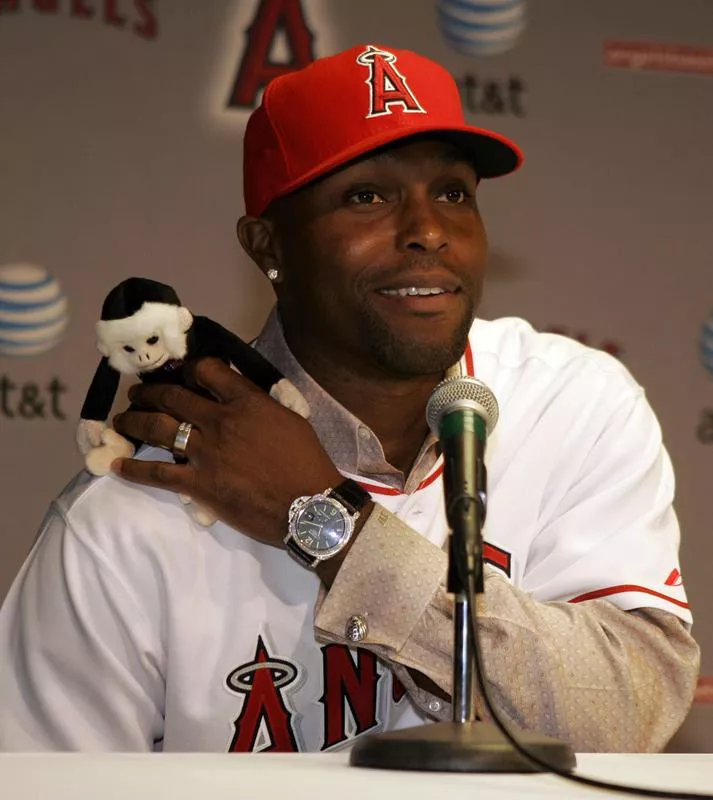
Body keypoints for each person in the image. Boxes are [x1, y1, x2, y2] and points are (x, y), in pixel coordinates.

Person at [0, 44, 699, 754]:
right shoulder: (145, 498)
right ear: (267, 244)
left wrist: (329, 525)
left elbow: (628, 711)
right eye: (367, 196)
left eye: (453, 192)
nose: (428, 231)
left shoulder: (572, 404)